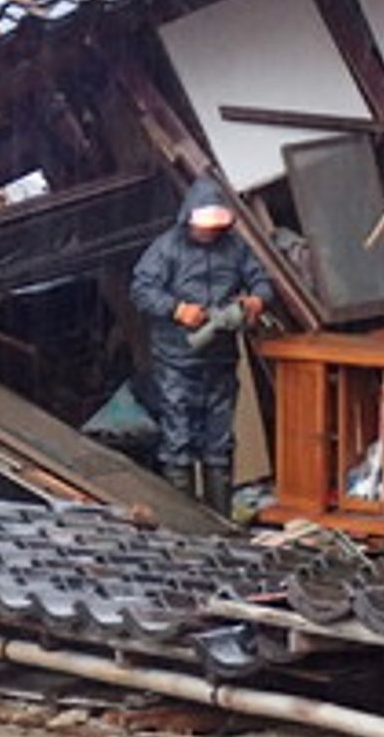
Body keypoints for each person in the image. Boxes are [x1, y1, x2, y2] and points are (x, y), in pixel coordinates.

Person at [130, 175, 273, 516]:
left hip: (221, 360)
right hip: (176, 359)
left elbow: (261, 280)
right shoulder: (166, 248)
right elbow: (141, 288)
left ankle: (219, 520)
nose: (208, 232)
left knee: (219, 443)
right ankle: (182, 519)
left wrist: (256, 301)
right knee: (178, 439)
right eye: (203, 226)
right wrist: (177, 309)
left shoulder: (236, 247)